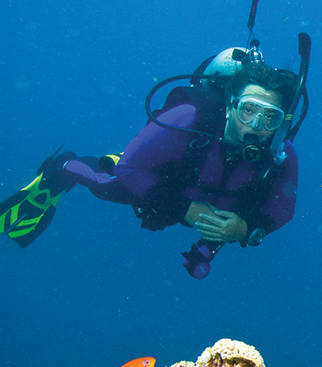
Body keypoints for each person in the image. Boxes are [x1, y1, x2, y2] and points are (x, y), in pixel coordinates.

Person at [0, 58, 300, 257]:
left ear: (281, 121)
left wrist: (245, 229)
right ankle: (64, 166)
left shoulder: (281, 153)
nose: (256, 125)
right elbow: (131, 168)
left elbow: (284, 208)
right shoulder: (189, 117)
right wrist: (183, 208)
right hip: (160, 186)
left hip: (207, 204)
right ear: (230, 105)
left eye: (269, 117)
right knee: (107, 185)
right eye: (248, 110)